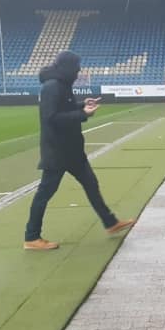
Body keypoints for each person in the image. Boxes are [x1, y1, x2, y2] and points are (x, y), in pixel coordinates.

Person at [23, 51, 134, 250]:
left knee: (91, 184)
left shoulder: (61, 84)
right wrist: (82, 114)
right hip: (57, 151)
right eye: (76, 67)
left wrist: (83, 104)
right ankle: (31, 237)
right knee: (45, 193)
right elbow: (52, 118)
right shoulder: (52, 87)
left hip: (72, 150)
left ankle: (110, 223)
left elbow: (64, 109)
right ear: (67, 67)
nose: (79, 70)